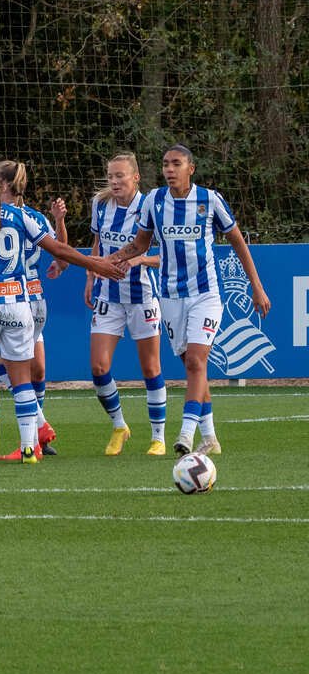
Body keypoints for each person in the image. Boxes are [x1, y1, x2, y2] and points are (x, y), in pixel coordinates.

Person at [0, 164, 123, 465]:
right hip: (20, 304)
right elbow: (59, 249)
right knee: (23, 381)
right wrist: (94, 264)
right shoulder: (21, 216)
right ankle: (30, 448)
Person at [107, 144, 270, 456]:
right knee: (192, 366)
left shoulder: (209, 199)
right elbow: (139, 244)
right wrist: (108, 261)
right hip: (169, 296)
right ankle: (210, 438)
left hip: (206, 294)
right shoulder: (154, 201)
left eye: (176, 164)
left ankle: (185, 435)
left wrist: (256, 286)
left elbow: (237, 240)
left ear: (190, 168)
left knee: (196, 361)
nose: (169, 169)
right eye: (166, 164)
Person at [0, 160, 67, 463]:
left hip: (7, 298)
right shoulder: (32, 217)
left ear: (1, 185)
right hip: (32, 300)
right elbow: (61, 252)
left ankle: (28, 435)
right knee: (28, 370)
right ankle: (33, 437)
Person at [85, 152, 167, 456]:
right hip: (108, 297)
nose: (114, 181)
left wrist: (141, 259)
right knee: (98, 366)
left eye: (120, 176)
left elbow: (167, 256)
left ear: (136, 177)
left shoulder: (152, 207)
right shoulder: (100, 205)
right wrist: (91, 276)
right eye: (110, 176)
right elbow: (97, 244)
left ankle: (158, 437)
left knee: (150, 367)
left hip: (142, 297)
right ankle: (120, 425)